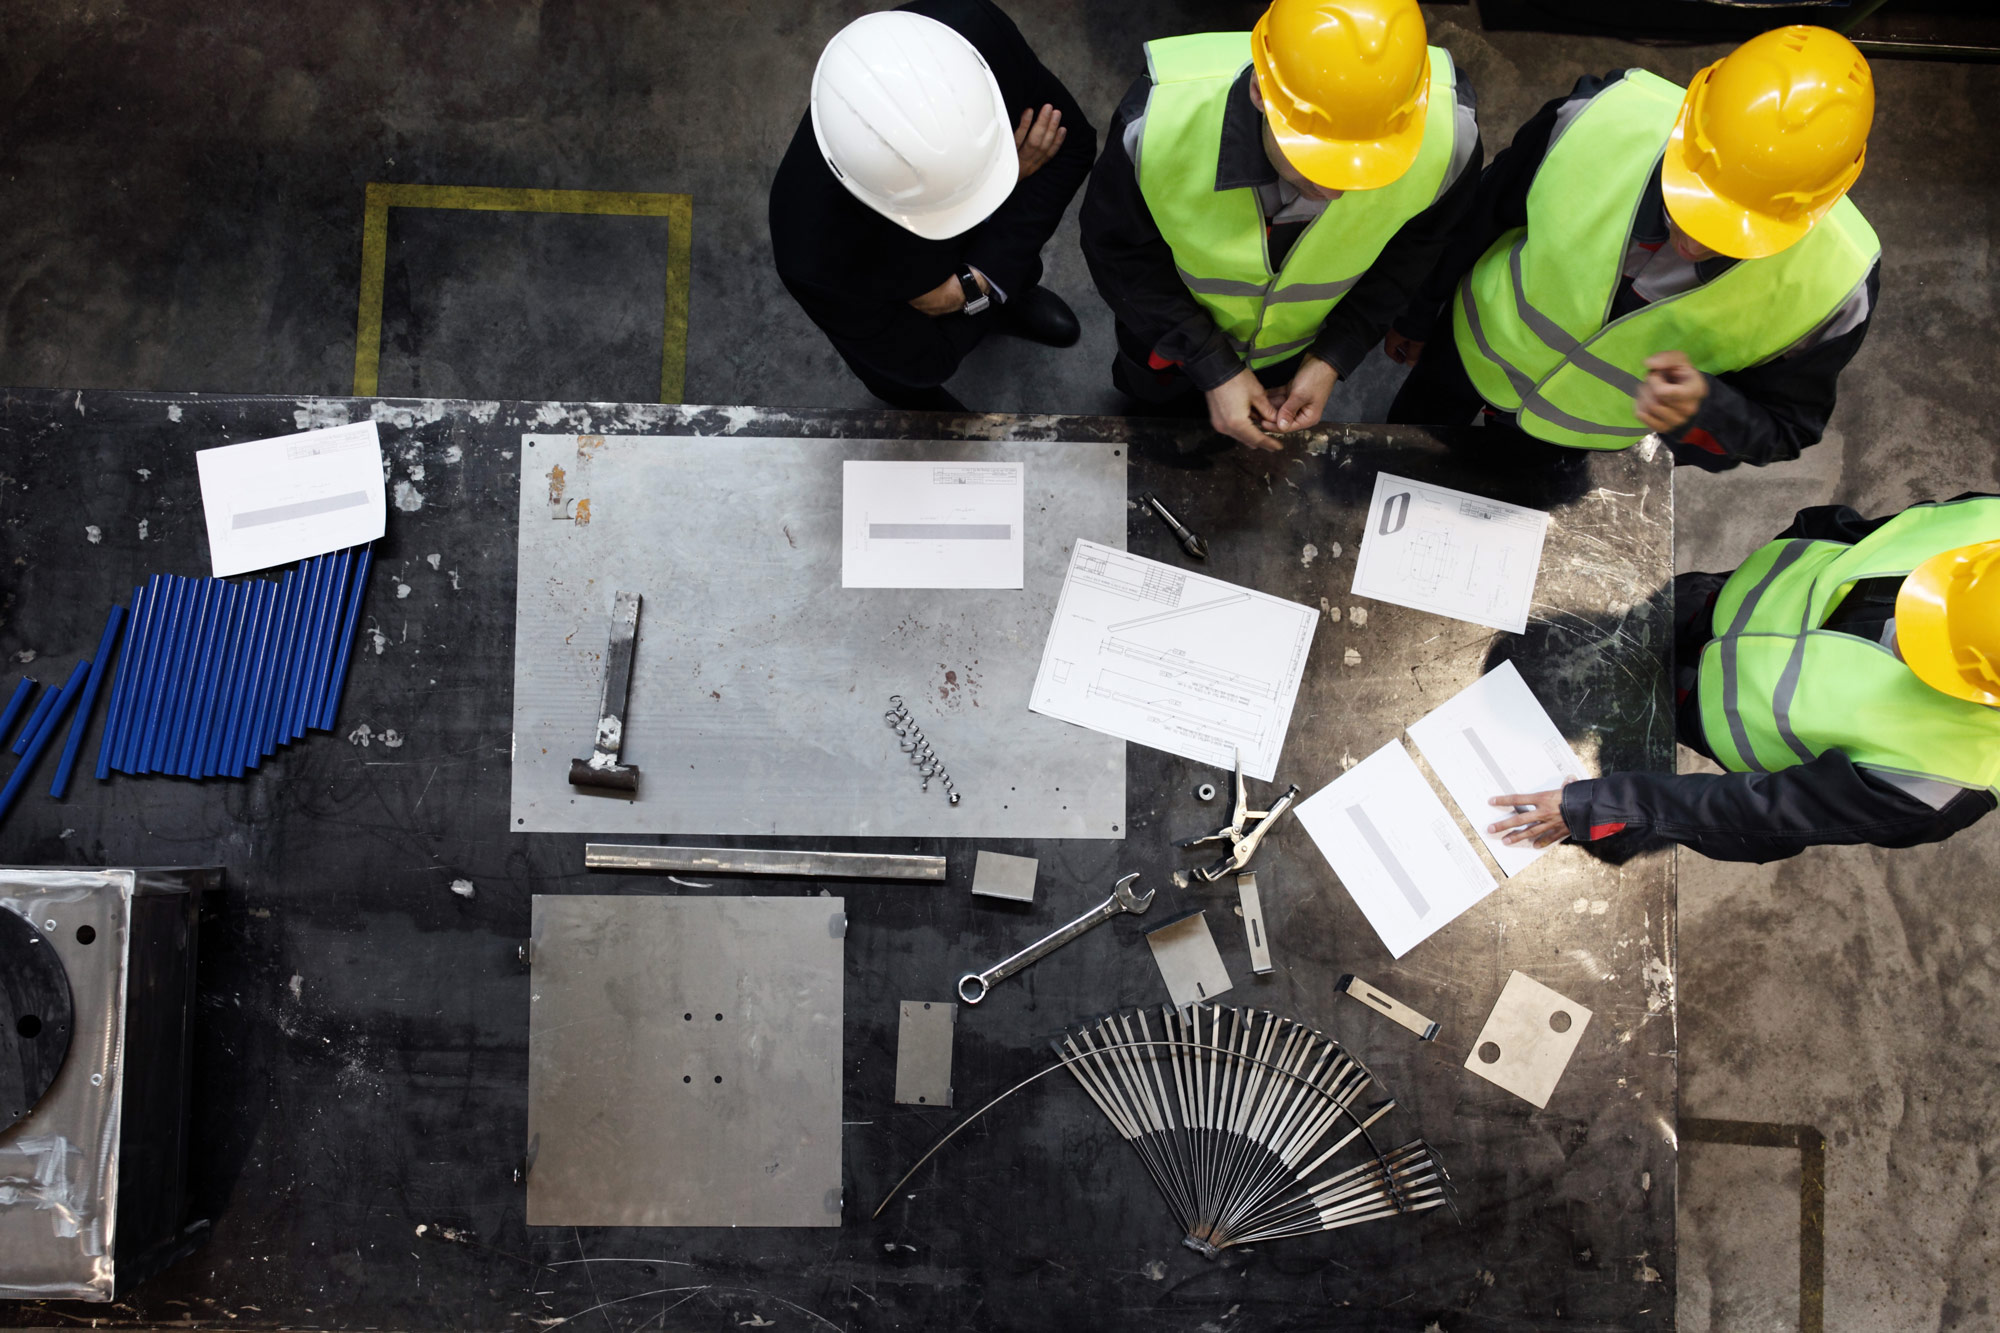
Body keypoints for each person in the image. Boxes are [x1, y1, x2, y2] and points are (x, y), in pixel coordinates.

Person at [1387, 25, 1880, 472]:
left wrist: (1707, 412)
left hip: (1575, 433)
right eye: (1692, 205)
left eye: (1732, 234)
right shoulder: (1595, 119)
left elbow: (1785, 429)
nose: (1691, 243)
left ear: (1818, 204)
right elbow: (1478, 217)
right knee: (1403, 453)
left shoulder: (1835, 289)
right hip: (1465, 354)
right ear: (1687, 126)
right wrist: (1418, 314)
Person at [1490, 496, 2000, 863]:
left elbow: (1757, 818)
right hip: (1709, 600)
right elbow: (1848, 530)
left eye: (1931, 648)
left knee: (1623, 719)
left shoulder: (1946, 780)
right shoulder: (1988, 526)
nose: (1903, 633)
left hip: (1700, 706)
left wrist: (1598, 805)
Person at [1080, 0, 1481, 452]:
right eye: (1316, 162)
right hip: (1165, 338)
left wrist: (1331, 356)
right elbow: (1116, 252)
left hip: (1293, 355)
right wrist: (1212, 364)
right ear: (1258, 93)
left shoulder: (1451, 139)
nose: (1337, 193)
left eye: (1370, 168)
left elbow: (1413, 254)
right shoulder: (1157, 124)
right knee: (1150, 419)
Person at [769, 1, 1095, 412]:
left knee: (1007, 272)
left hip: (948, 285)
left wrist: (974, 286)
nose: (970, 209)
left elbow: (1073, 144)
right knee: (907, 382)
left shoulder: (967, 31)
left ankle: (1004, 298)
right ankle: (927, 400)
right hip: (893, 300)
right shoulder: (811, 251)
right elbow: (926, 361)